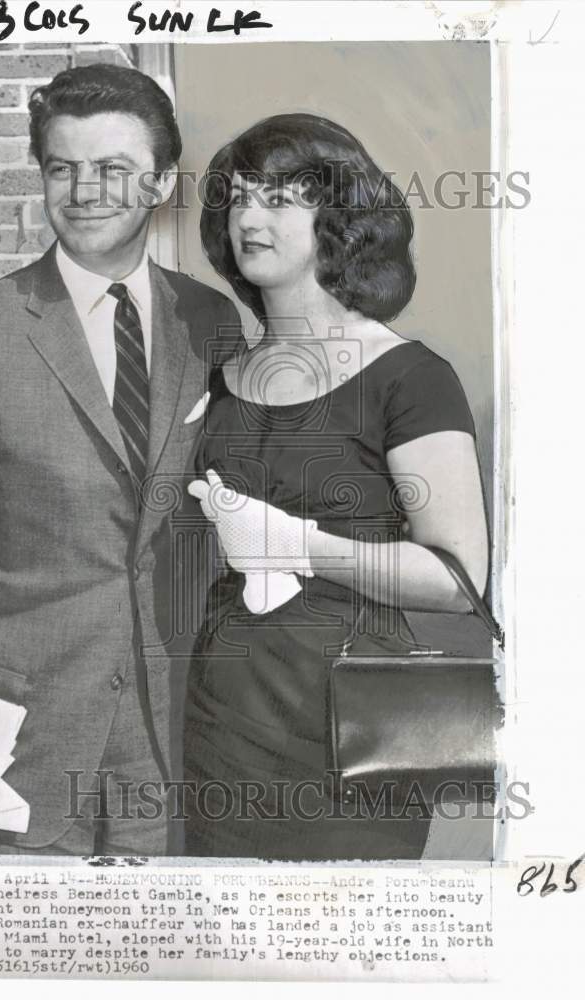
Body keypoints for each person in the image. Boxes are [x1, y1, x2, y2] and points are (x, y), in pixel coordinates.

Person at [0, 63, 241, 856]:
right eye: (63, 169)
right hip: (6, 747)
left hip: (167, 739)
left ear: (162, 183)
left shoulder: (210, 321)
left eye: (113, 169)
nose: (85, 191)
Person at [183, 113, 490, 861]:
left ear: (339, 222)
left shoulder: (411, 377)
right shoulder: (215, 377)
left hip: (351, 726)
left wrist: (295, 544)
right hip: (220, 721)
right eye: (238, 198)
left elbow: (458, 580)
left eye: (278, 200)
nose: (248, 218)